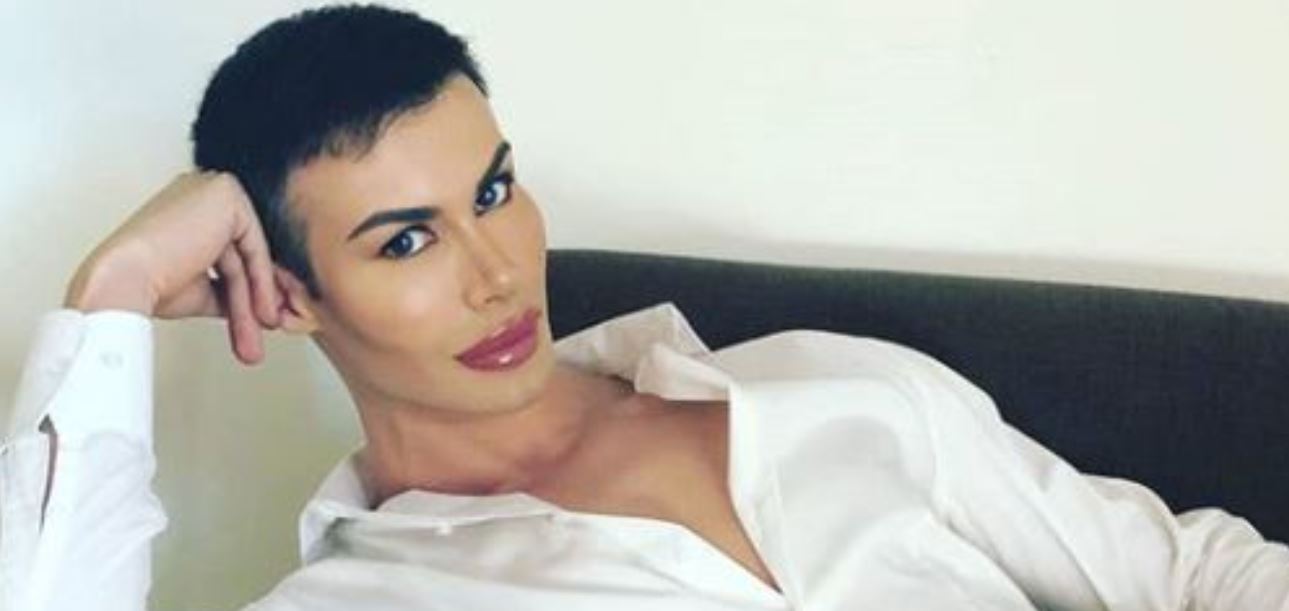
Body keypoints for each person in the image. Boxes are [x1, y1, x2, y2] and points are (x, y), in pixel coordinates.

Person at [2, 5, 1286, 610]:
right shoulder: (365, 599)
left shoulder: (833, 385)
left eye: (492, 190)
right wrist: (108, 300)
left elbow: (1192, 572)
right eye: (407, 239)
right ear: (286, 292)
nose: (498, 270)